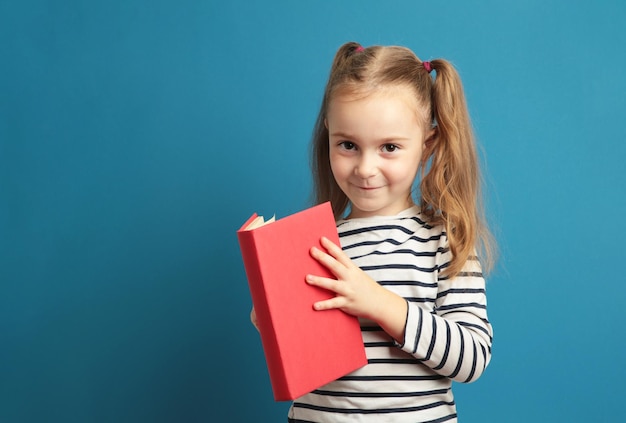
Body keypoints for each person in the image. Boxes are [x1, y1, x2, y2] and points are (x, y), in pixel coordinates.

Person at [253, 41, 495, 422]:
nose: (365, 168)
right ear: (328, 136)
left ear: (426, 145)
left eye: (389, 147)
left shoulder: (442, 241)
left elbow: (471, 358)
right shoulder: (316, 244)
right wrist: (274, 318)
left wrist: (379, 303)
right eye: (348, 145)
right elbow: (306, 358)